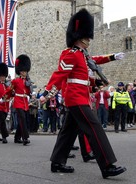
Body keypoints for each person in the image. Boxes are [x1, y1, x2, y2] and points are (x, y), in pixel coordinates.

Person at [40, 9, 126, 179]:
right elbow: (59, 74)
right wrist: (47, 92)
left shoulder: (82, 55)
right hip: (76, 98)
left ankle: (57, 162)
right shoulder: (70, 54)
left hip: (81, 97)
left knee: (68, 132)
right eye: (86, 37)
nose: (89, 39)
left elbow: (96, 60)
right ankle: (107, 165)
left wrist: (113, 57)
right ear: (78, 37)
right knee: (94, 128)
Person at [5, 54, 32, 145]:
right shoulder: (15, 81)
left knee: (22, 120)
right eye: (23, 71)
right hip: (18, 101)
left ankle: (17, 137)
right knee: (22, 119)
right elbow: (10, 90)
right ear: (20, 72)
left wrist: (30, 88)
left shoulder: (28, 81)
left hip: (25, 102)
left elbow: (29, 92)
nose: (25, 73)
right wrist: (4, 97)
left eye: (26, 71)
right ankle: (25, 138)